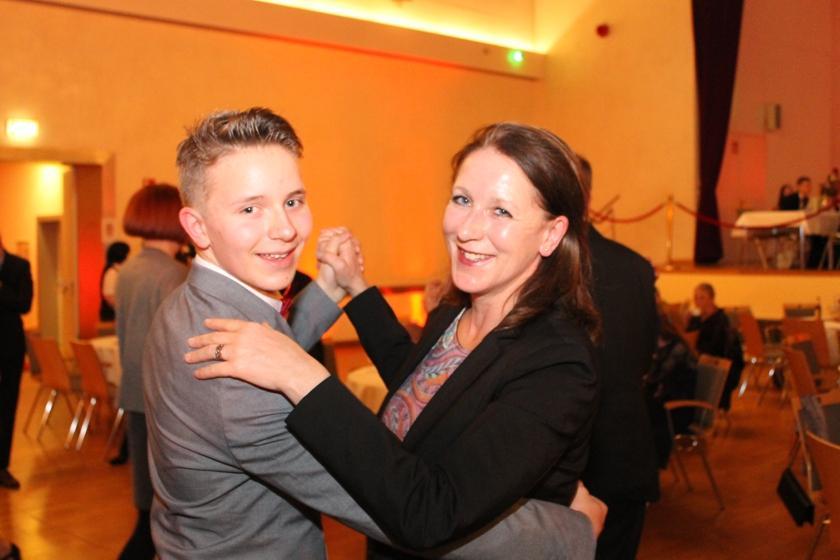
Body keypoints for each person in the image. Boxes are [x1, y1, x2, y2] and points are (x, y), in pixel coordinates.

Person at [184, 120, 603, 558]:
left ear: (551, 234)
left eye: (501, 212)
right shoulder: (455, 311)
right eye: (462, 200)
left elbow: (434, 514)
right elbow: (416, 379)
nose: (467, 229)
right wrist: (356, 286)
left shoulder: (557, 363)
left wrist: (301, 375)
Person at [576, 156, 660, 560]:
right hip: (624, 449)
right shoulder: (636, 268)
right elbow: (645, 357)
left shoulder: (538, 267)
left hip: (556, 463)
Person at [115, 183, 189, 559]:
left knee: (145, 503)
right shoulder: (174, 274)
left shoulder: (128, 269)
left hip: (133, 393)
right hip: (164, 402)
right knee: (160, 513)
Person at [644, 300, 698, 469]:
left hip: (678, 408)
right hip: (666, 401)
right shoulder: (662, 344)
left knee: (639, 411)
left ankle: (648, 465)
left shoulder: (678, 348)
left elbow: (657, 377)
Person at [0, 234, 33, 491]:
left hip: (10, 344)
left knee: (7, 405)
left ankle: (2, 465)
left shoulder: (19, 266)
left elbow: (24, 304)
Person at [686, 283, 744, 411]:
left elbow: (715, 349)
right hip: (700, 360)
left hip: (716, 366)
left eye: (702, 297)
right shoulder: (696, 320)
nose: (698, 301)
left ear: (711, 299)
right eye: (696, 297)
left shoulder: (720, 321)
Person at [99, 241, 130, 322]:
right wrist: (123, 310)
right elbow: (109, 297)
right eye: (127, 254)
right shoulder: (111, 273)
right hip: (111, 315)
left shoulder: (118, 271)